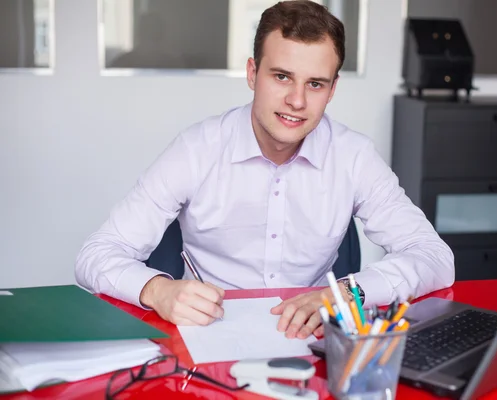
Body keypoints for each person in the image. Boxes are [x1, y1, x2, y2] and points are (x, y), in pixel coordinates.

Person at [75, 0, 454, 340]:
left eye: (315, 84)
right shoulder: (197, 149)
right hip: (206, 339)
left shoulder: (354, 156)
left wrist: (345, 294)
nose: (297, 100)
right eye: (282, 76)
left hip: (313, 341)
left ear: (332, 89)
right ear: (253, 74)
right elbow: (96, 254)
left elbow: (435, 257)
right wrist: (158, 291)